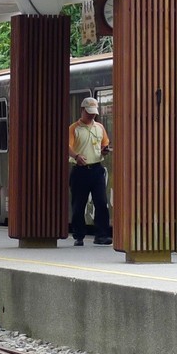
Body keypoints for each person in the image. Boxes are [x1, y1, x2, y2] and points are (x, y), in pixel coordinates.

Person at [69, 97, 113, 246]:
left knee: (101, 202)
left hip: (96, 169)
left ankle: (102, 235)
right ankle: (79, 236)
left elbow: (105, 143)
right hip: (80, 171)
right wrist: (76, 156)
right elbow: (67, 146)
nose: (91, 115)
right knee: (78, 204)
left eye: (94, 113)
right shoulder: (74, 128)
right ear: (82, 110)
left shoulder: (99, 127)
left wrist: (105, 150)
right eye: (89, 113)